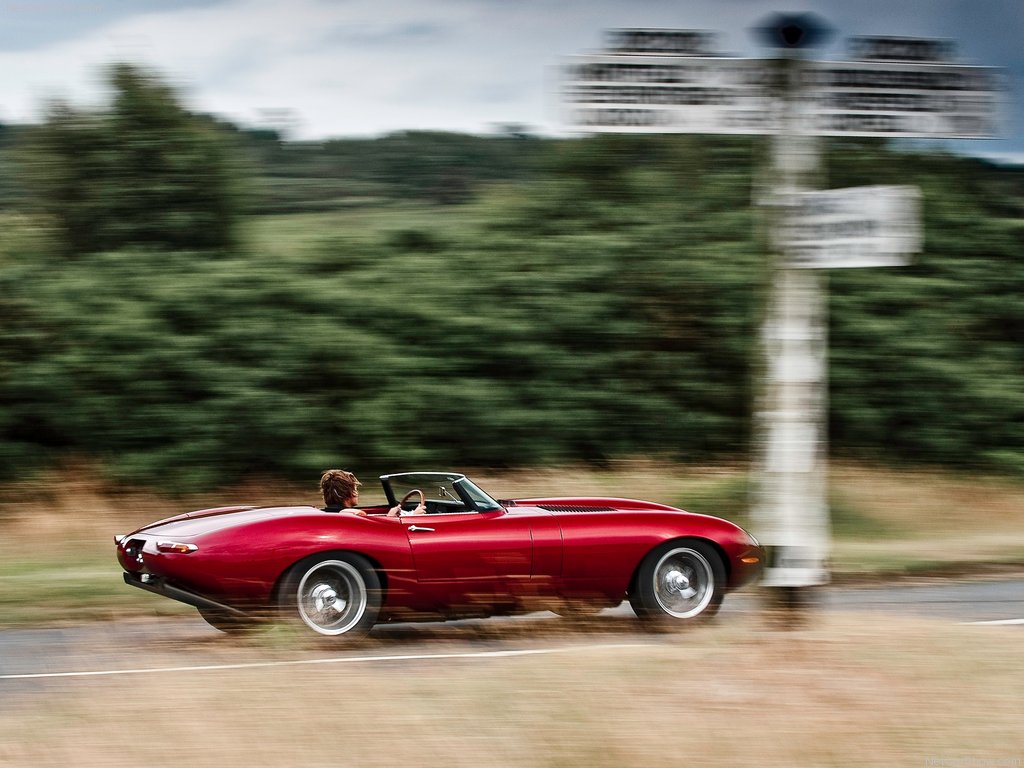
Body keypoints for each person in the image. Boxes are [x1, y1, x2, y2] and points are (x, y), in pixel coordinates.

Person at [319, 469, 425, 516]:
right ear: (349, 493)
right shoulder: (354, 516)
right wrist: (414, 515)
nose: (357, 493)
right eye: (355, 489)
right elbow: (379, 536)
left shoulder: (325, 514)